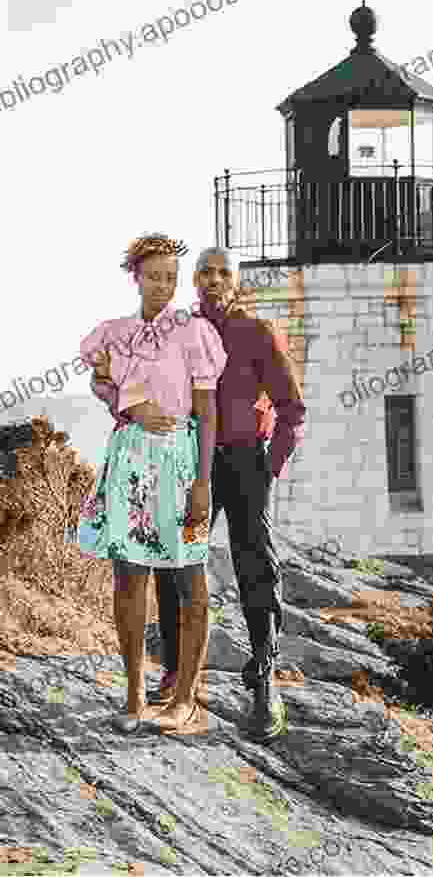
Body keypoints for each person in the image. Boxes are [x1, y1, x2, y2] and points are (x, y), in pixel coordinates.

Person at [90, 247, 306, 742]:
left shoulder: (256, 332)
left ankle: (264, 679)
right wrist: (126, 403)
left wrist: (268, 469)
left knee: (255, 563)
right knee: (173, 565)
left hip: (246, 461)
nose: (212, 279)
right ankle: (172, 676)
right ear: (195, 280)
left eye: (222, 273)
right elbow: (124, 377)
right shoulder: (178, 327)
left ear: (234, 281)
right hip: (190, 462)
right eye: (205, 272)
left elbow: (293, 408)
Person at [78, 232, 226, 734]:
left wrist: (204, 483)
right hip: (130, 460)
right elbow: (101, 382)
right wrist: (128, 403)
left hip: (180, 462)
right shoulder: (114, 332)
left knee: (190, 579)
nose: (163, 286)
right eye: (154, 276)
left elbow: (207, 413)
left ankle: (185, 697)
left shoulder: (194, 333)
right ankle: (134, 696)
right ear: (135, 276)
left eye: (171, 277)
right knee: (129, 578)